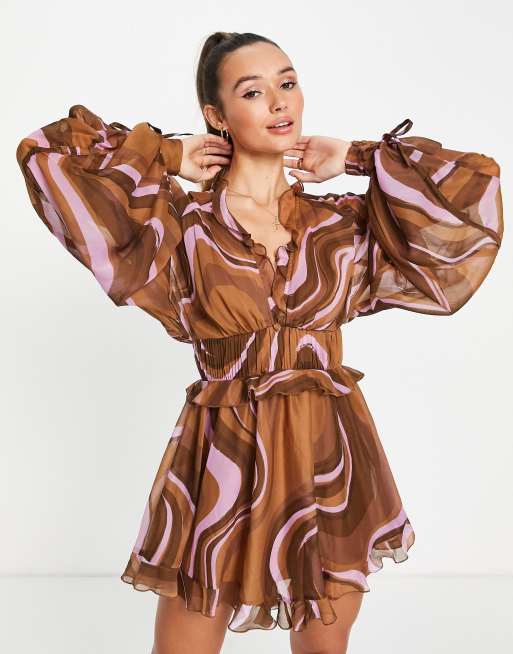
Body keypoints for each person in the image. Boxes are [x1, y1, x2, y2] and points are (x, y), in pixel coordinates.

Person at [15, 30, 503, 654]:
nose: (278, 102)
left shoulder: (340, 224)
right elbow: (47, 154)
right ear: (216, 116)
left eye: (287, 83)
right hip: (222, 461)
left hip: (328, 461)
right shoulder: (182, 226)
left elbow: (474, 191)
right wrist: (165, 152)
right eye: (253, 91)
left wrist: (359, 157)